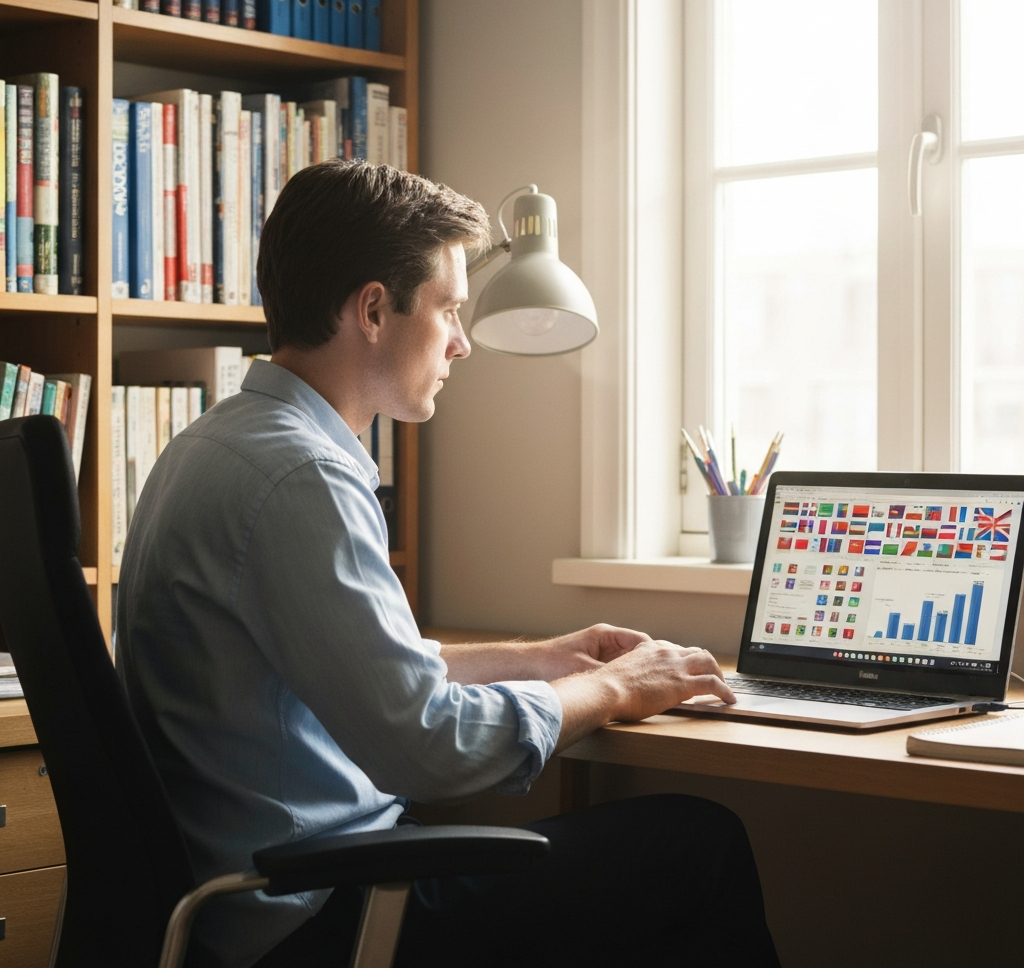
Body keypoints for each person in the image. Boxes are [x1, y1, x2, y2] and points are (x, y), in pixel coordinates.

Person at [116, 161, 779, 968]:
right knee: (700, 843)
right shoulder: (303, 478)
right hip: (319, 914)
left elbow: (364, 673)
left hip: (252, 900)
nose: (463, 342)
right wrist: (612, 688)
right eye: (450, 308)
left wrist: (540, 659)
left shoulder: (213, 447)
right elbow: (428, 747)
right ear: (372, 309)